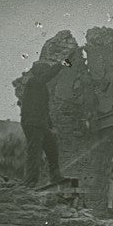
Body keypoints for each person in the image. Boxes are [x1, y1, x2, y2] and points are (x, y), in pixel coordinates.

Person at [18, 47, 79, 188]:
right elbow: (49, 75)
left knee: (52, 147)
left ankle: (55, 176)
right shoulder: (34, 83)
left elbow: (44, 109)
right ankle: (30, 181)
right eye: (45, 71)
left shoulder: (41, 88)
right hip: (32, 124)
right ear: (40, 72)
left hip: (40, 124)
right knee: (35, 151)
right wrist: (65, 62)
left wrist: (51, 127)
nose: (46, 73)